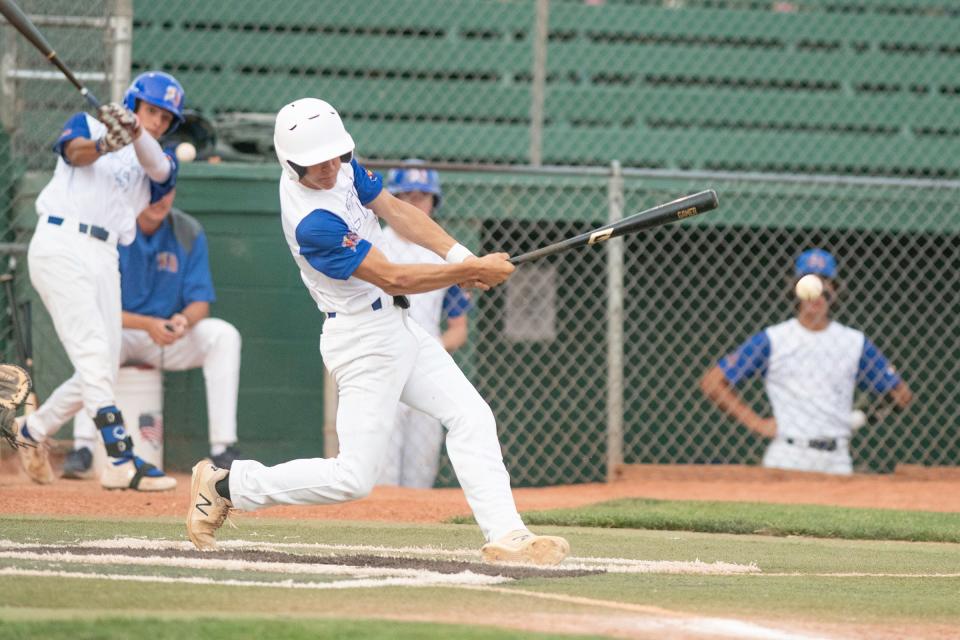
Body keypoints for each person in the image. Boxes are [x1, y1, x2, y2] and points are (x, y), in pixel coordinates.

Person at [186, 98, 570, 565]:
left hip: (397, 324)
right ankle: (226, 484)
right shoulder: (313, 223)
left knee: (471, 415)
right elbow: (393, 275)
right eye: (316, 162)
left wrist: (460, 258)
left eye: (334, 155)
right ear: (291, 164)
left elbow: (396, 210)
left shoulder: (340, 163)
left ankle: (508, 534)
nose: (329, 167)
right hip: (362, 339)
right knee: (354, 477)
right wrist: (467, 272)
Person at [15, 71, 186, 492]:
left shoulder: (161, 159)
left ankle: (32, 431)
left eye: (166, 118)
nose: (159, 122)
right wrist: (109, 140)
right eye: (151, 112)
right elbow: (76, 153)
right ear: (132, 103)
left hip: (106, 255)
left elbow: (158, 168)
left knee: (101, 369)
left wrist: (135, 131)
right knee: (93, 353)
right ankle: (119, 460)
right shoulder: (88, 125)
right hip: (61, 242)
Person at [61, 188, 242, 479]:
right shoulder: (111, 229)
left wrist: (183, 320)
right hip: (120, 332)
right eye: (152, 191)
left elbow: (200, 303)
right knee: (95, 341)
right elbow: (95, 308)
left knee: (223, 336)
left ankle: (222, 448)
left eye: (166, 191)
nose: (160, 200)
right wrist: (147, 324)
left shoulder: (187, 230)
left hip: (167, 336)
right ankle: (83, 448)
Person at [700, 248, 913, 475]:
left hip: (837, 459)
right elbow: (713, 382)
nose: (818, 291)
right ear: (795, 289)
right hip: (787, 455)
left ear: (835, 290)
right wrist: (757, 424)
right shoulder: (774, 338)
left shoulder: (853, 342)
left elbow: (901, 395)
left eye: (825, 282)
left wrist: (859, 418)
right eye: (809, 281)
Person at [377, 162, 472, 488]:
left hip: (428, 368)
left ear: (434, 202)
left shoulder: (444, 252)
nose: (415, 203)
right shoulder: (376, 244)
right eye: (406, 196)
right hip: (383, 363)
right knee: (382, 473)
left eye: (422, 197)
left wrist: (432, 347)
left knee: (420, 474)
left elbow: (459, 328)